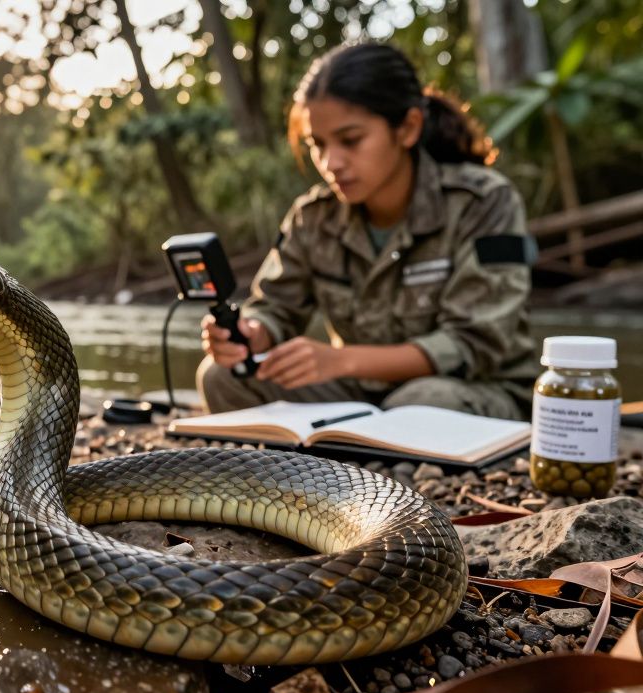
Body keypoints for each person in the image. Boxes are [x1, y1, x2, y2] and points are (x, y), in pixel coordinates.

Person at [197, 42, 538, 420]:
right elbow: (276, 307)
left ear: (407, 128)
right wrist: (253, 333)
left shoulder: (484, 201)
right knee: (221, 377)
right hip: (361, 391)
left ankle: (353, 457)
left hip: (471, 390)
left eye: (350, 140)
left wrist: (341, 361)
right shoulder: (314, 217)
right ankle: (347, 457)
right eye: (318, 145)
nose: (331, 163)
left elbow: (473, 344)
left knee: (419, 406)